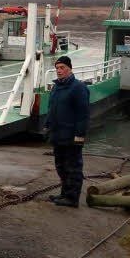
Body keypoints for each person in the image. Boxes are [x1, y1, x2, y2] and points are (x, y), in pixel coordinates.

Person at [45, 56, 90, 207]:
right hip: (58, 134)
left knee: (73, 167)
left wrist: (79, 136)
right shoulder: (57, 87)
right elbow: (52, 108)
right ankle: (64, 194)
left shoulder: (78, 88)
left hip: (71, 136)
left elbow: (83, 114)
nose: (59, 71)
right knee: (61, 166)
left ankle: (72, 198)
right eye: (57, 68)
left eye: (62, 68)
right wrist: (47, 125)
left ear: (70, 69)